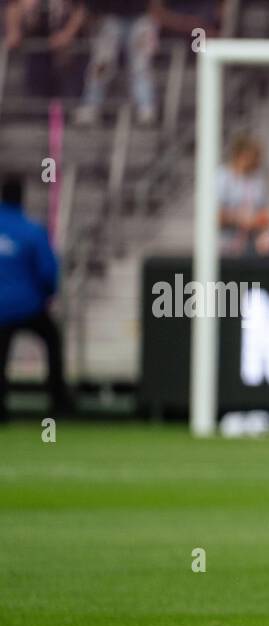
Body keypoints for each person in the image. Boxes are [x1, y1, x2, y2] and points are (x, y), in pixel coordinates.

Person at [0, 176, 72, 422]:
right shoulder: (30, 229)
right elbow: (48, 271)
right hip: (28, 306)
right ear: (22, 198)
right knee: (52, 339)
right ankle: (58, 401)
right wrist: (46, 295)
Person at [72, 0, 160, 126]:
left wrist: (155, 20)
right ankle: (91, 105)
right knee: (102, 65)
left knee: (141, 66)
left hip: (142, 17)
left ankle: (146, 107)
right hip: (111, 17)